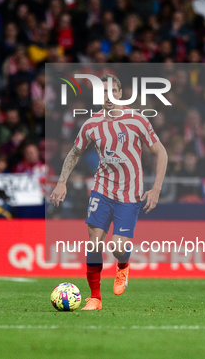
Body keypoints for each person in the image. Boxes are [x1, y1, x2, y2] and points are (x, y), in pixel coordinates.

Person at [49, 74, 168, 311]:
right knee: (94, 243)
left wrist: (156, 189)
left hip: (130, 195)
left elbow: (161, 153)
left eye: (113, 91)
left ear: (121, 93)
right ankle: (95, 298)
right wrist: (62, 181)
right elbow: (74, 153)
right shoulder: (91, 124)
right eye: (103, 92)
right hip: (101, 190)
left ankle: (123, 266)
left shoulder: (137, 120)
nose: (108, 96)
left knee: (117, 246)